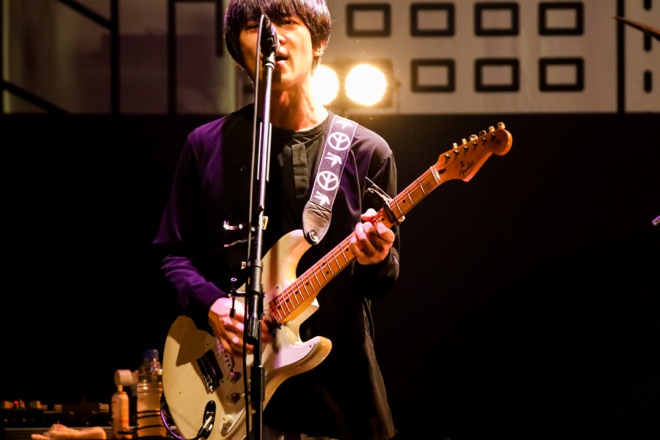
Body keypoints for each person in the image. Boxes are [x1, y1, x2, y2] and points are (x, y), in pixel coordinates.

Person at [153, 0, 400, 439]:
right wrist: (212, 305)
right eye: (255, 26)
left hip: (341, 399)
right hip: (233, 396)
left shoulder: (365, 152)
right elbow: (172, 254)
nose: (273, 36)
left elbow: (379, 284)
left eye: (288, 22)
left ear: (319, 40)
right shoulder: (205, 147)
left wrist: (375, 258)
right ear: (238, 50)